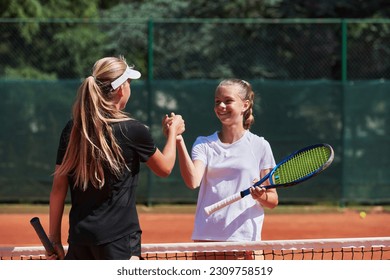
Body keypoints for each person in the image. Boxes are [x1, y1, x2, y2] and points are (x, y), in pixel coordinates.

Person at [48, 56, 185, 260]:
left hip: (79, 238)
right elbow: (164, 168)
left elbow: (58, 188)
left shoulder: (74, 128)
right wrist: (173, 133)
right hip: (119, 240)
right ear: (121, 89)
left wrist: (54, 240)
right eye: (129, 83)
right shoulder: (134, 129)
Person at [164, 79, 278, 259]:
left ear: (244, 105)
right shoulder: (204, 144)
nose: (221, 106)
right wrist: (178, 140)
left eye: (228, 100)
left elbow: (272, 200)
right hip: (208, 240)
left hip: (246, 241)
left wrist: (260, 196)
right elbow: (193, 181)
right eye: (217, 102)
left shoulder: (260, 145)